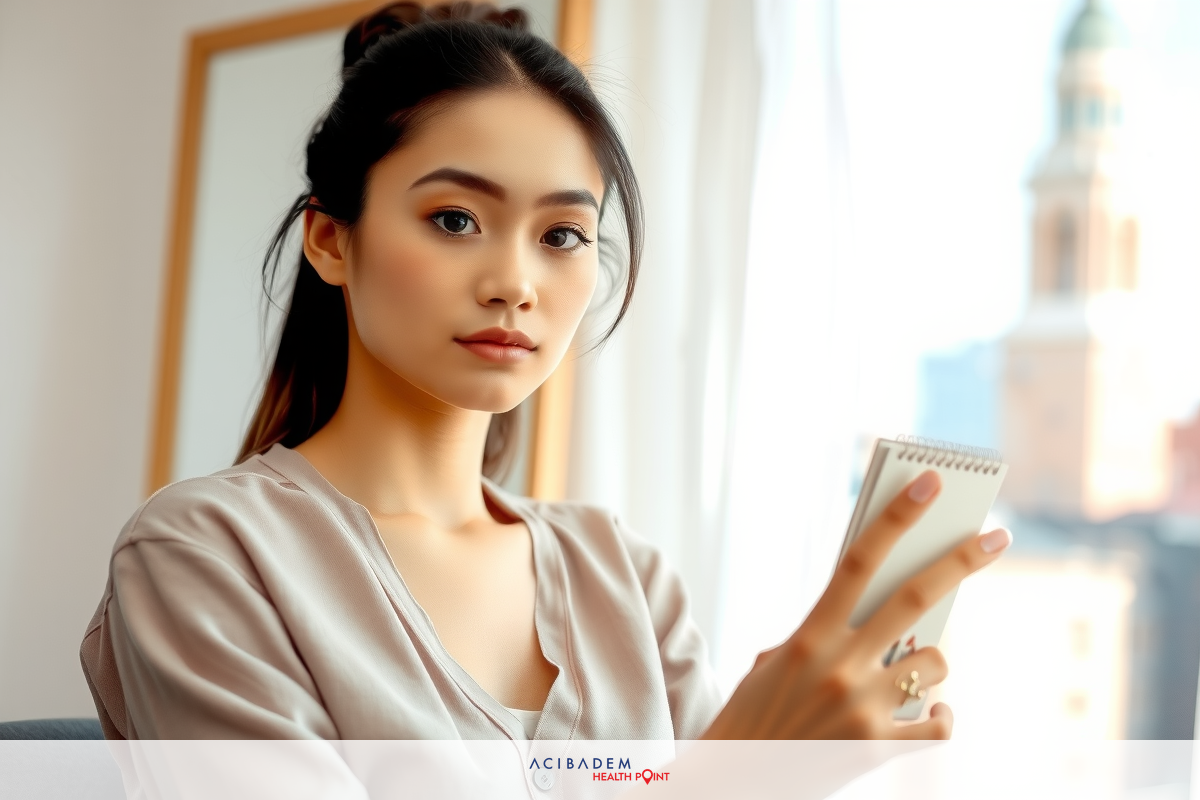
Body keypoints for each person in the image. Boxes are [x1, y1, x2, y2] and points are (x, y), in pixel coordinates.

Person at [80, 2, 1011, 742]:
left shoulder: (629, 581)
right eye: (454, 219)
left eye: (563, 235)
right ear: (330, 238)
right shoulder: (204, 555)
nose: (515, 283)